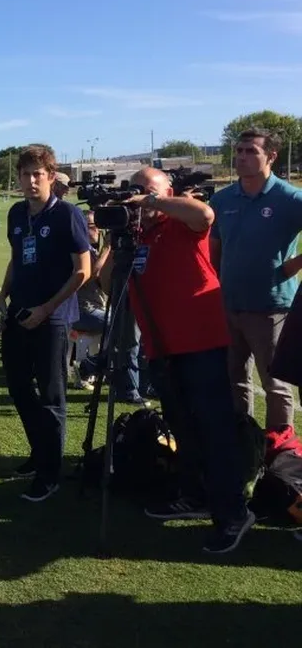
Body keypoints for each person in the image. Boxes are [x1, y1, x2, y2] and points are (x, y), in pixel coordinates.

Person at [107, 167, 254, 554]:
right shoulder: (138, 237)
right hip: (162, 349)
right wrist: (117, 235)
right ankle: (194, 494)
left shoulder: (182, 224)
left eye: (147, 190)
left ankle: (233, 512)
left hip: (200, 346)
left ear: (167, 192)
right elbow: (107, 284)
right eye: (133, 191)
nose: (138, 197)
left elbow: (204, 215)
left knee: (215, 432)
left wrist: (152, 202)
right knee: (184, 430)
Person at [0, 144, 91, 503]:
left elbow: (84, 271)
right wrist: (2, 297)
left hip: (53, 318)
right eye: (25, 174)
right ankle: (40, 452)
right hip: (19, 313)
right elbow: (18, 259)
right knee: (19, 387)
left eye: (38, 174)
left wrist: (47, 309)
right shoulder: (18, 213)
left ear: (51, 177)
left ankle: (51, 473)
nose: (31, 181)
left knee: (52, 395)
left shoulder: (67, 215)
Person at [210, 128, 302, 430]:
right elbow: (215, 250)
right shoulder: (222, 200)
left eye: (251, 151)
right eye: (239, 151)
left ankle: (279, 451)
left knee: (276, 385)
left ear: (271, 156)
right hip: (228, 306)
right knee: (234, 381)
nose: (242, 157)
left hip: (270, 308)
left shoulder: (289, 198)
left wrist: (290, 268)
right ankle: (244, 447)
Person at [73, 210, 144, 404]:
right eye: (91, 227)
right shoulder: (83, 249)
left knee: (125, 327)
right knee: (120, 327)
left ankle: (93, 364)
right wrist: (109, 249)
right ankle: (96, 366)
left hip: (98, 308)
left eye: (97, 226)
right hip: (83, 310)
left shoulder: (94, 250)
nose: (96, 230)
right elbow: (95, 275)